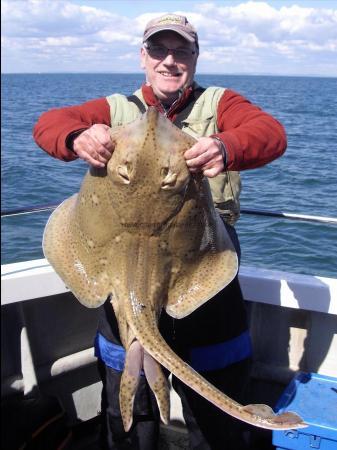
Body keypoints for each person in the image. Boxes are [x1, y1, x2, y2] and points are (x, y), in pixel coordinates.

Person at [33, 13, 287, 450]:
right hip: (116, 264)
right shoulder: (114, 109)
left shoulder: (220, 104)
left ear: (195, 56)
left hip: (202, 258)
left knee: (212, 389)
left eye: (181, 50)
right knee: (127, 398)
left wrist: (228, 147)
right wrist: (77, 137)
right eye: (158, 50)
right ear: (143, 57)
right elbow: (48, 124)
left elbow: (271, 134)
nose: (169, 60)